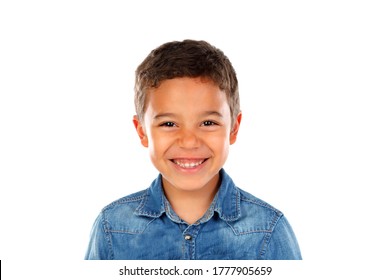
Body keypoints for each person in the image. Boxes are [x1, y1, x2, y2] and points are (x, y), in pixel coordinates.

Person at [85, 40, 302, 260]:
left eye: (208, 123)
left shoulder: (268, 230)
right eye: (168, 124)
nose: (189, 142)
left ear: (234, 128)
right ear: (142, 132)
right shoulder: (112, 227)